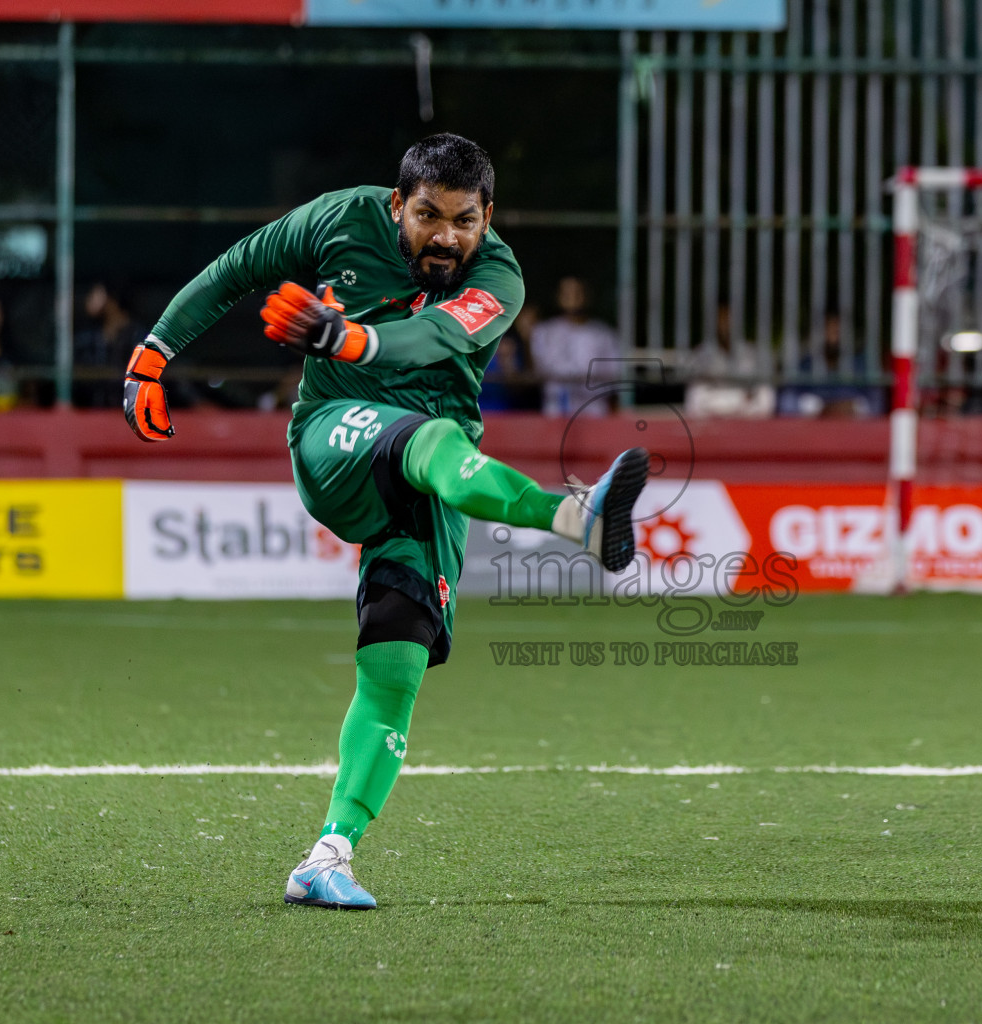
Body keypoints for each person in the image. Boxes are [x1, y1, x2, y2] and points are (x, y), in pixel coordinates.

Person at [124, 133, 650, 911]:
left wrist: (350, 335)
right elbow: (237, 269)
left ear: (487, 216)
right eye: (429, 215)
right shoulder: (335, 221)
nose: (447, 236)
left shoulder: (499, 276)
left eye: (464, 220)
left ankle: (327, 856)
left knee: (396, 668)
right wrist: (153, 352)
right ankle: (576, 518)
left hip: (432, 483)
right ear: (397, 203)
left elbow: (433, 335)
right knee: (431, 437)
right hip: (333, 433)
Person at [529, 276, 620, 417]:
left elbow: (614, 375)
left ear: (586, 296)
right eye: (567, 293)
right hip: (555, 411)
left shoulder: (603, 334)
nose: (572, 298)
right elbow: (536, 369)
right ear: (558, 297)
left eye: (577, 292)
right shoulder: (545, 331)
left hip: (594, 411)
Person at [776, 312, 886, 418]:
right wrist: (819, 407)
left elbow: (877, 404)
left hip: (855, 430)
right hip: (811, 430)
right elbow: (787, 402)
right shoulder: (805, 365)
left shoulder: (861, 366)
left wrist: (855, 406)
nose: (833, 338)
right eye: (828, 331)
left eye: (837, 331)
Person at [684, 304, 774, 419]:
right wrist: (737, 401)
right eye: (721, 320)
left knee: (765, 394)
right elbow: (696, 402)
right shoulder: (701, 355)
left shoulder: (752, 354)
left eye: (728, 319)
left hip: (748, 419)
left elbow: (764, 401)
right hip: (712, 419)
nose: (725, 325)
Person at [76, 280, 147, 408]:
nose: (89, 299)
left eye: (96, 294)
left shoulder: (138, 336)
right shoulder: (89, 338)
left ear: (111, 300)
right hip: (94, 415)